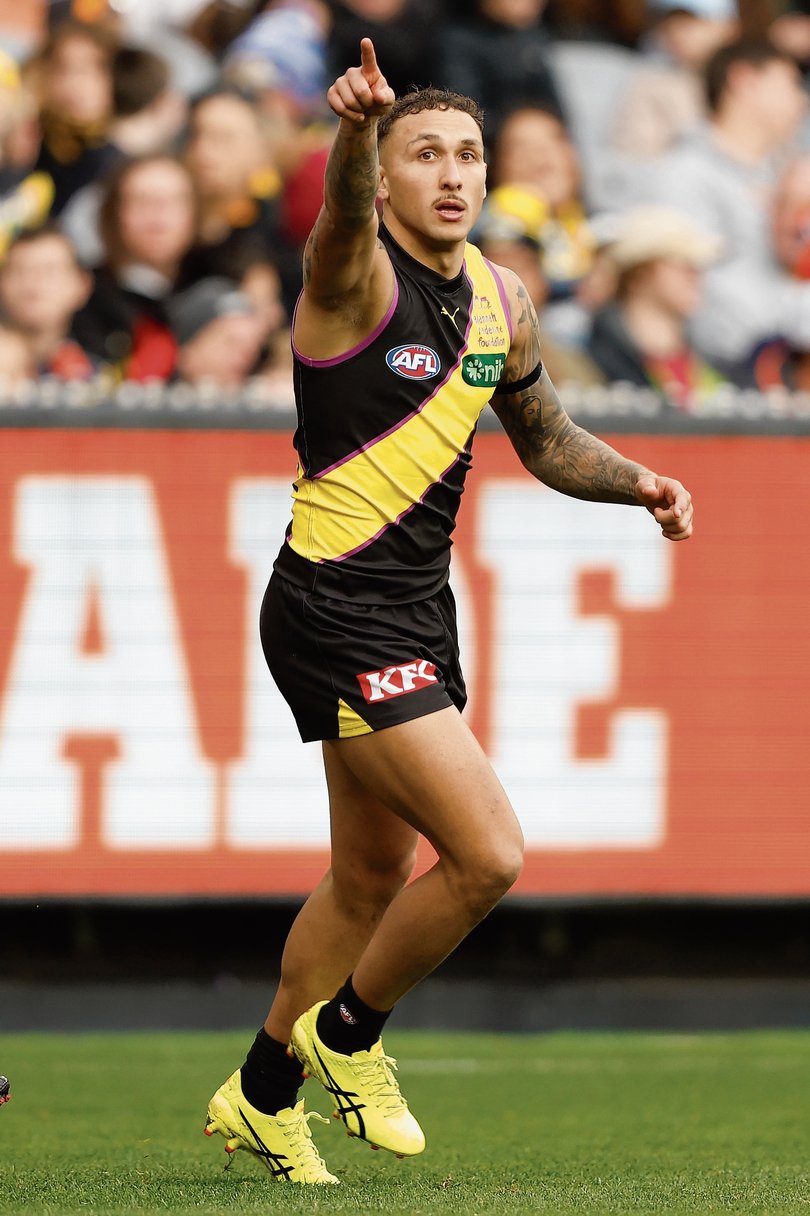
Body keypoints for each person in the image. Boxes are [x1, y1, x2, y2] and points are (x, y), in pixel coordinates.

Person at [203, 38, 694, 1185]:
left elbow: (549, 439)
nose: (453, 174)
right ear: (391, 174)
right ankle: (348, 1034)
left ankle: (266, 1089)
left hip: (415, 613)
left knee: (372, 876)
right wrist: (356, 133)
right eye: (426, 154)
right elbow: (330, 230)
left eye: (468, 154)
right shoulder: (355, 277)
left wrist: (641, 484)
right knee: (489, 855)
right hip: (333, 605)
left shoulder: (503, 299)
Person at [585, 205, 726, 408]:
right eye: (684, 263)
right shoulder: (596, 364)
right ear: (639, 275)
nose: (696, 276)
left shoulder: (709, 364)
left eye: (698, 266)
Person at [0, 225, 95, 378]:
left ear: (82, 285)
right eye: (19, 270)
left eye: (50, 271)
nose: (33, 282)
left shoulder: (92, 372)